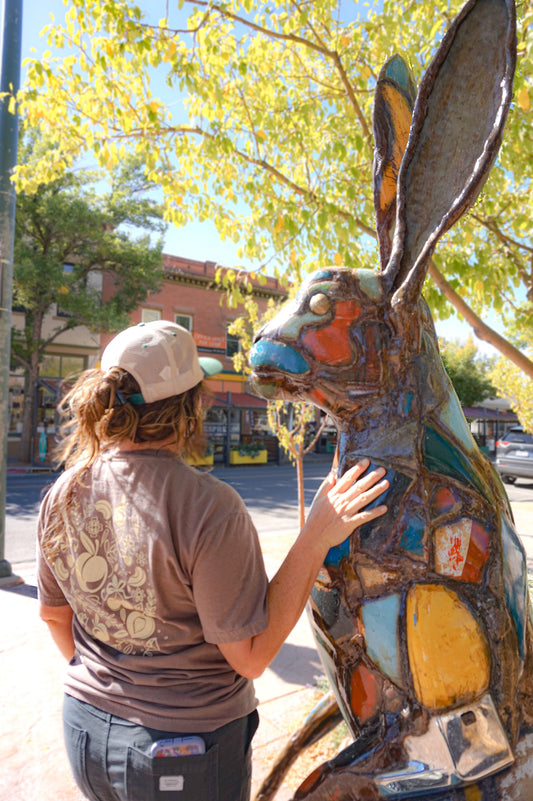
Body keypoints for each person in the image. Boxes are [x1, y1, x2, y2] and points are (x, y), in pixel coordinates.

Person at [36, 319, 389, 801]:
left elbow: (54, 616)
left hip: (85, 728)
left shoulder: (63, 492)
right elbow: (251, 656)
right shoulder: (208, 506)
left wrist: (113, 683)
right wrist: (315, 537)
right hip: (182, 752)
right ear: (190, 406)